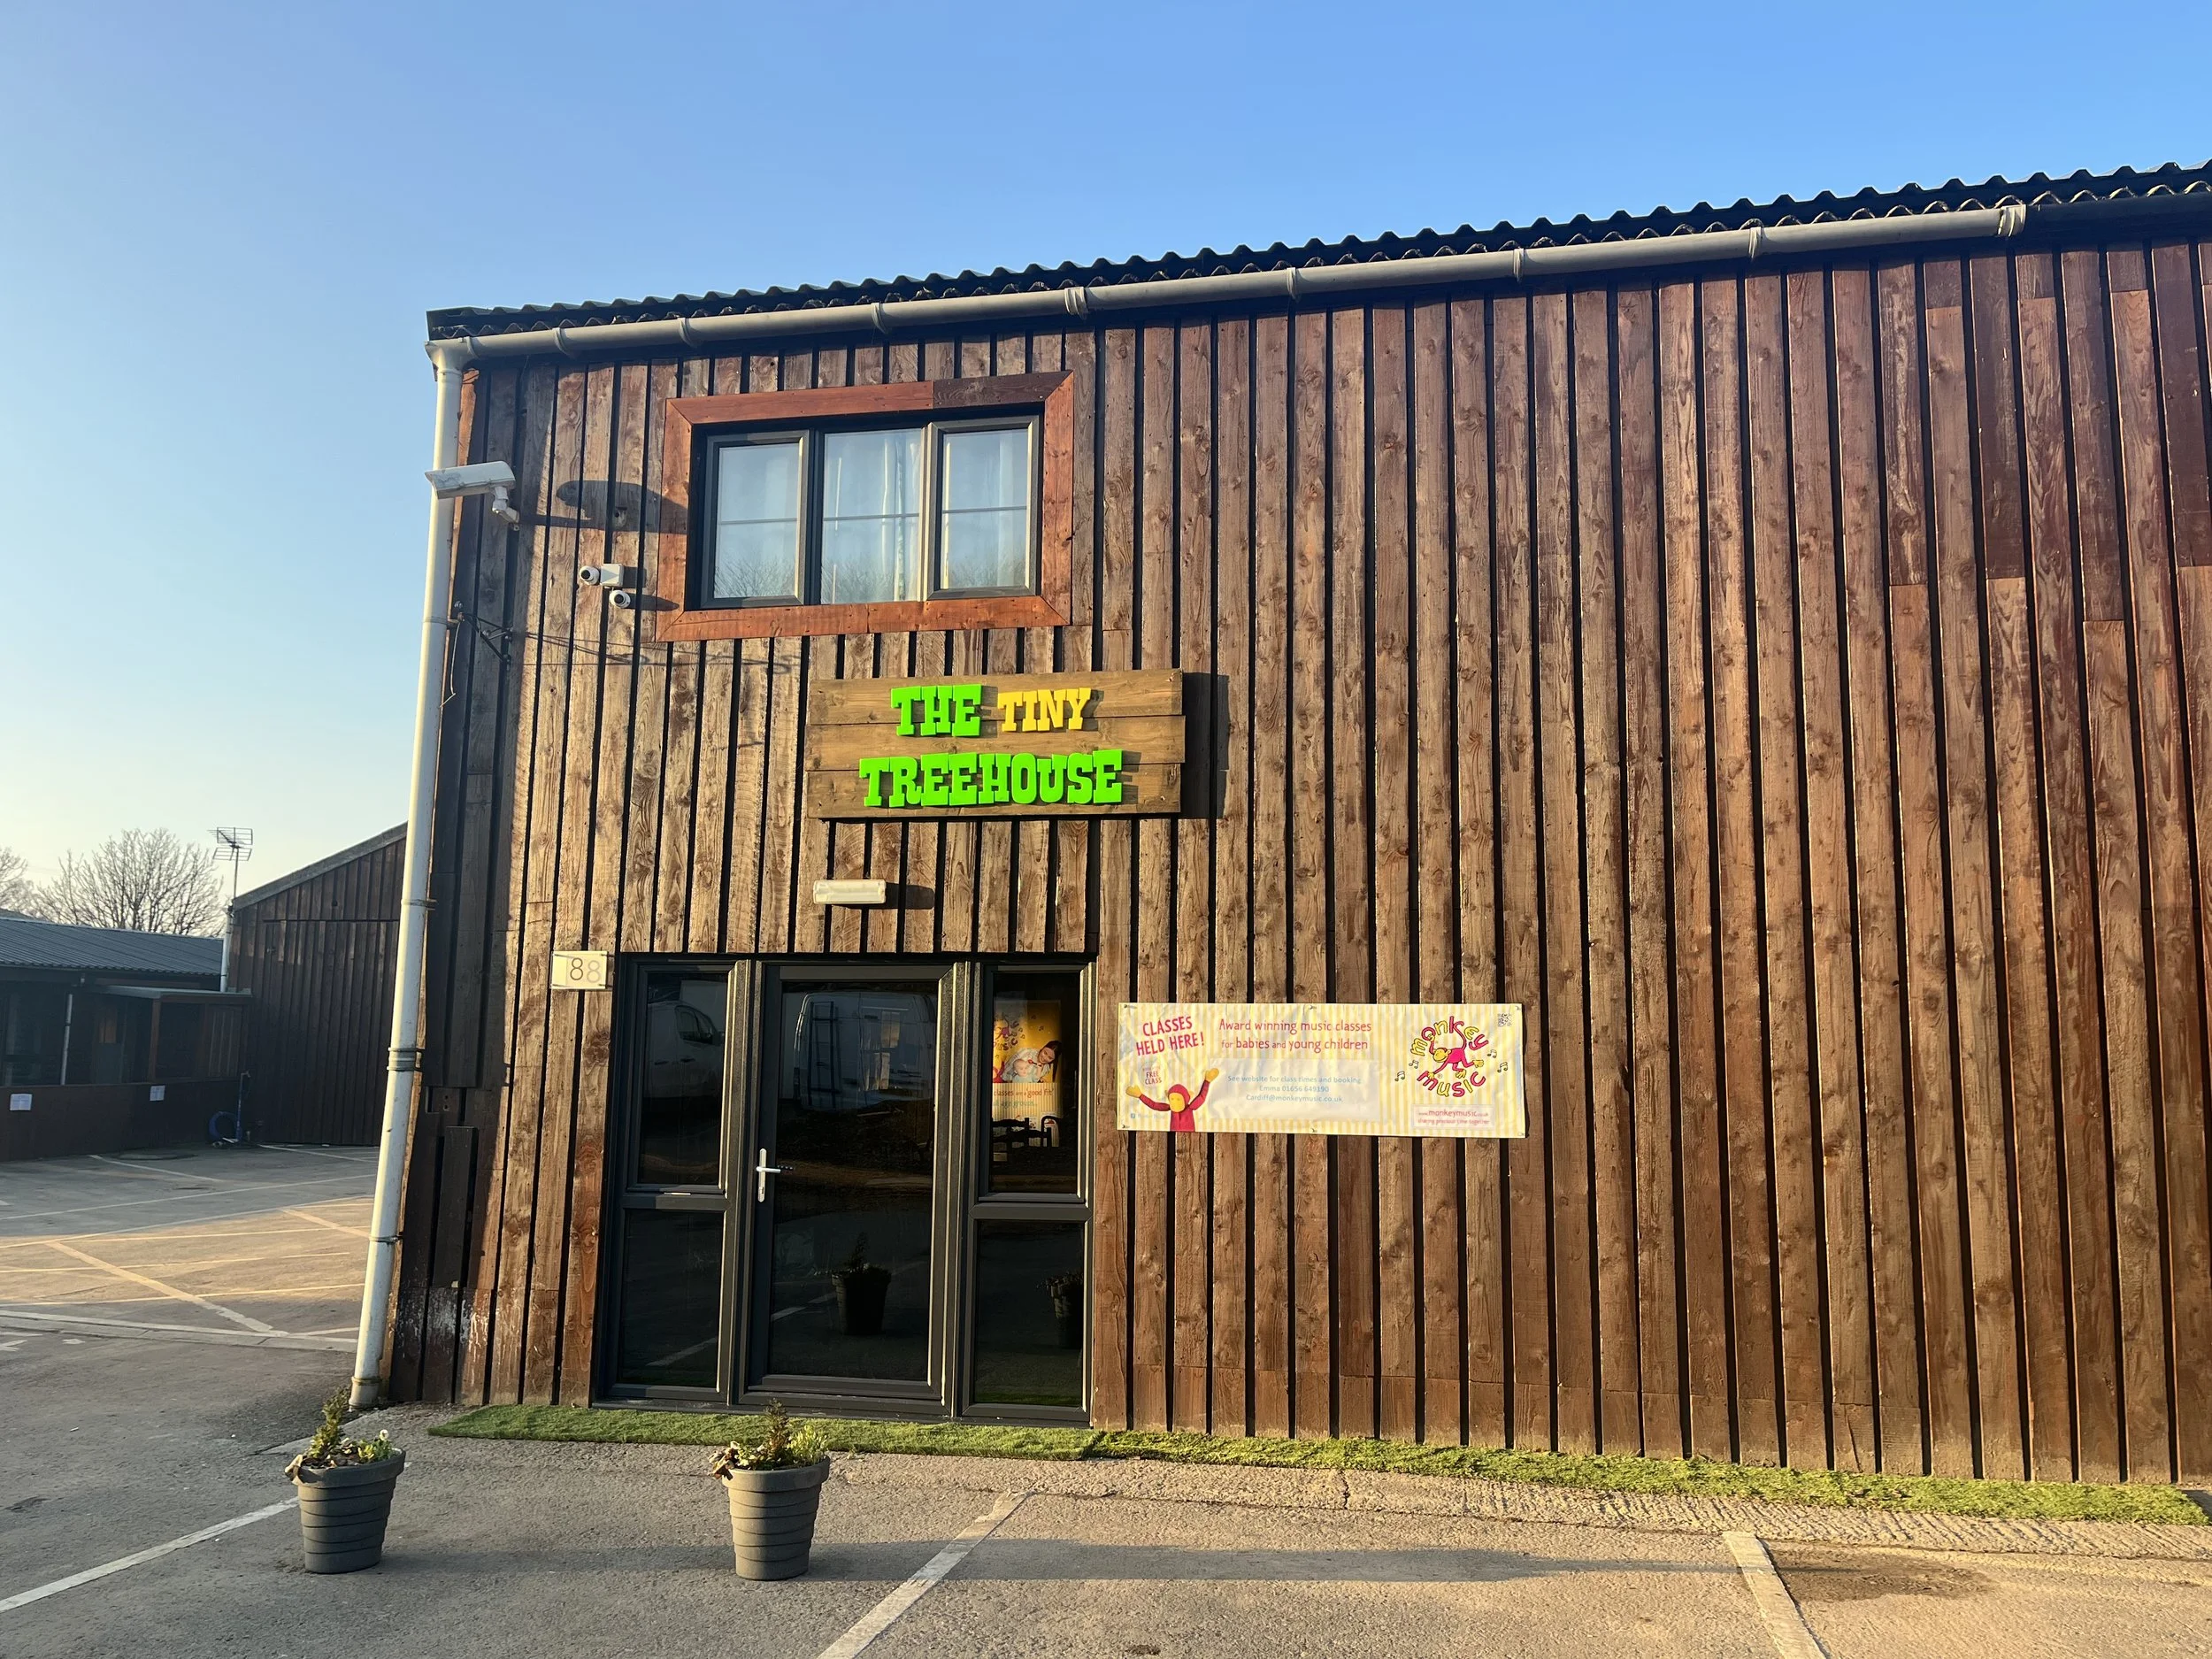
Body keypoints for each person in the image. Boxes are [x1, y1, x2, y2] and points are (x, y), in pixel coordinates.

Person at [1125, 1067, 1219, 1133]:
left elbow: (1201, 1097)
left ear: (1185, 1099)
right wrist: (1140, 1095)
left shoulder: (1190, 1107)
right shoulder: (1169, 1107)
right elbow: (1153, 1105)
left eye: (1178, 1099)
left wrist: (1207, 1081)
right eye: (1172, 1099)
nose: (1174, 1103)